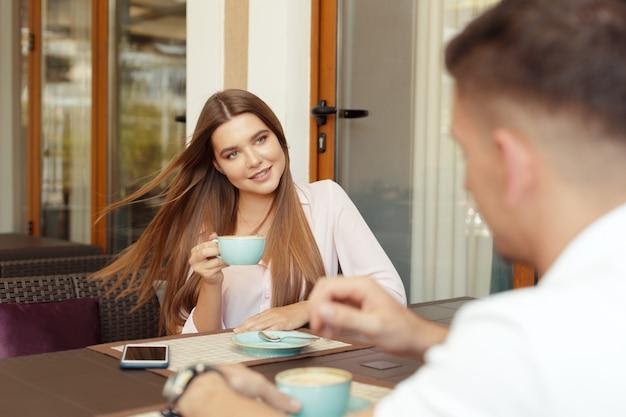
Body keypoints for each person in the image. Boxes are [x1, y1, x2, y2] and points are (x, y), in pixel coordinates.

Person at [172, 0, 626, 416]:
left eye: (465, 152)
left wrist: (202, 393)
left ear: (512, 161)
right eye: (233, 153)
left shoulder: (521, 336)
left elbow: (513, 360)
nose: (465, 182)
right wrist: (423, 336)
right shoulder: (570, 320)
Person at [93, 89, 405, 335]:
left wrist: (305, 310)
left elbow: (390, 297)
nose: (254, 160)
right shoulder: (207, 227)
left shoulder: (326, 200)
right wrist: (210, 283)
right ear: (218, 165)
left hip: (307, 375)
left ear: (278, 136)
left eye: (260, 139)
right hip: (234, 381)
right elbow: (195, 342)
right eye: (233, 153)